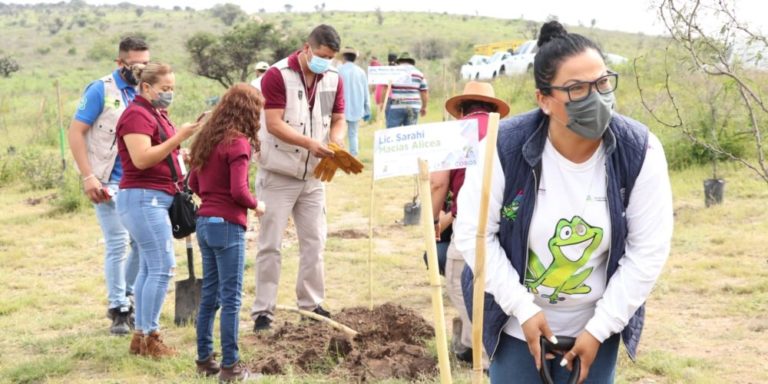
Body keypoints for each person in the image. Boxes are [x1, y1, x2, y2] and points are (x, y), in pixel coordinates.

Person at [455, 21, 673, 383]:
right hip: (516, 322)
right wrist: (523, 310)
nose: (596, 98)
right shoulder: (501, 147)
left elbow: (647, 251)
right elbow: (474, 236)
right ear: (544, 99)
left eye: (602, 83)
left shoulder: (640, 151)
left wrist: (599, 329)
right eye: (577, 89)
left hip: (596, 327)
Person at [250, 24, 346, 331]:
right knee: (270, 244)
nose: (325, 62)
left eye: (330, 57)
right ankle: (263, 312)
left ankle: (311, 305)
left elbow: (338, 118)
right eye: (321, 55)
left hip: (313, 177)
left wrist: (336, 142)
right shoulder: (277, 75)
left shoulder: (333, 78)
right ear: (306, 48)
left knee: (315, 241)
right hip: (278, 173)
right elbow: (274, 123)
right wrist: (310, 144)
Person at [115, 62, 200, 358]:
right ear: (146, 87)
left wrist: (179, 153)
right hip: (143, 198)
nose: (169, 93)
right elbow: (141, 159)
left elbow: (160, 152)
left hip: (155, 197)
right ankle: (151, 336)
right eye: (165, 88)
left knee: (150, 268)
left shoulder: (155, 113)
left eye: (172, 88)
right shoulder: (136, 115)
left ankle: (141, 336)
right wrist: (179, 138)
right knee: (163, 267)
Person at [67, 36, 149, 335]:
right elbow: (76, 132)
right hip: (106, 180)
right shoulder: (101, 90)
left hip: (137, 180)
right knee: (117, 242)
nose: (141, 70)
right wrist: (88, 176)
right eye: (135, 64)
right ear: (120, 62)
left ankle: (126, 294)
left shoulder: (146, 90)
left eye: (146, 63)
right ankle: (119, 309)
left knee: (141, 243)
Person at [189, 83, 266, 382]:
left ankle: (204, 360)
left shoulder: (208, 139)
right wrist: (257, 205)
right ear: (249, 111)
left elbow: (194, 184)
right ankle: (231, 367)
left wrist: (212, 198)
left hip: (204, 223)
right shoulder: (238, 143)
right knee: (231, 298)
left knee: (210, 295)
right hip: (227, 226)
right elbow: (239, 191)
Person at [430, 81, 509, 369]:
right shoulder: (506, 131)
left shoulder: (455, 132)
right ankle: (465, 342)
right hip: (506, 218)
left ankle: (485, 354)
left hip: (471, 221)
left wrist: (432, 220)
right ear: (492, 108)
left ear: (462, 109)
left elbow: (438, 182)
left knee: (458, 281)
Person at [338, 47, 371, 156]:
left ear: (344, 57)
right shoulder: (361, 72)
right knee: (353, 134)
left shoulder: (338, 70)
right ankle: (354, 156)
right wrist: (367, 109)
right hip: (357, 108)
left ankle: (339, 157)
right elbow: (366, 92)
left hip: (340, 108)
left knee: (339, 134)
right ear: (355, 58)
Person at [385, 52, 428, 128]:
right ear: (412, 62)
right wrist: (424, 107)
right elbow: (424, 92)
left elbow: (386, 88)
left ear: (399, 61)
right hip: (412, 106)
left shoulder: (394, 72)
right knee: (410, 132)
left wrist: (383, 103)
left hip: (397, 105)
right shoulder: (419, 74)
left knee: (392, 132)